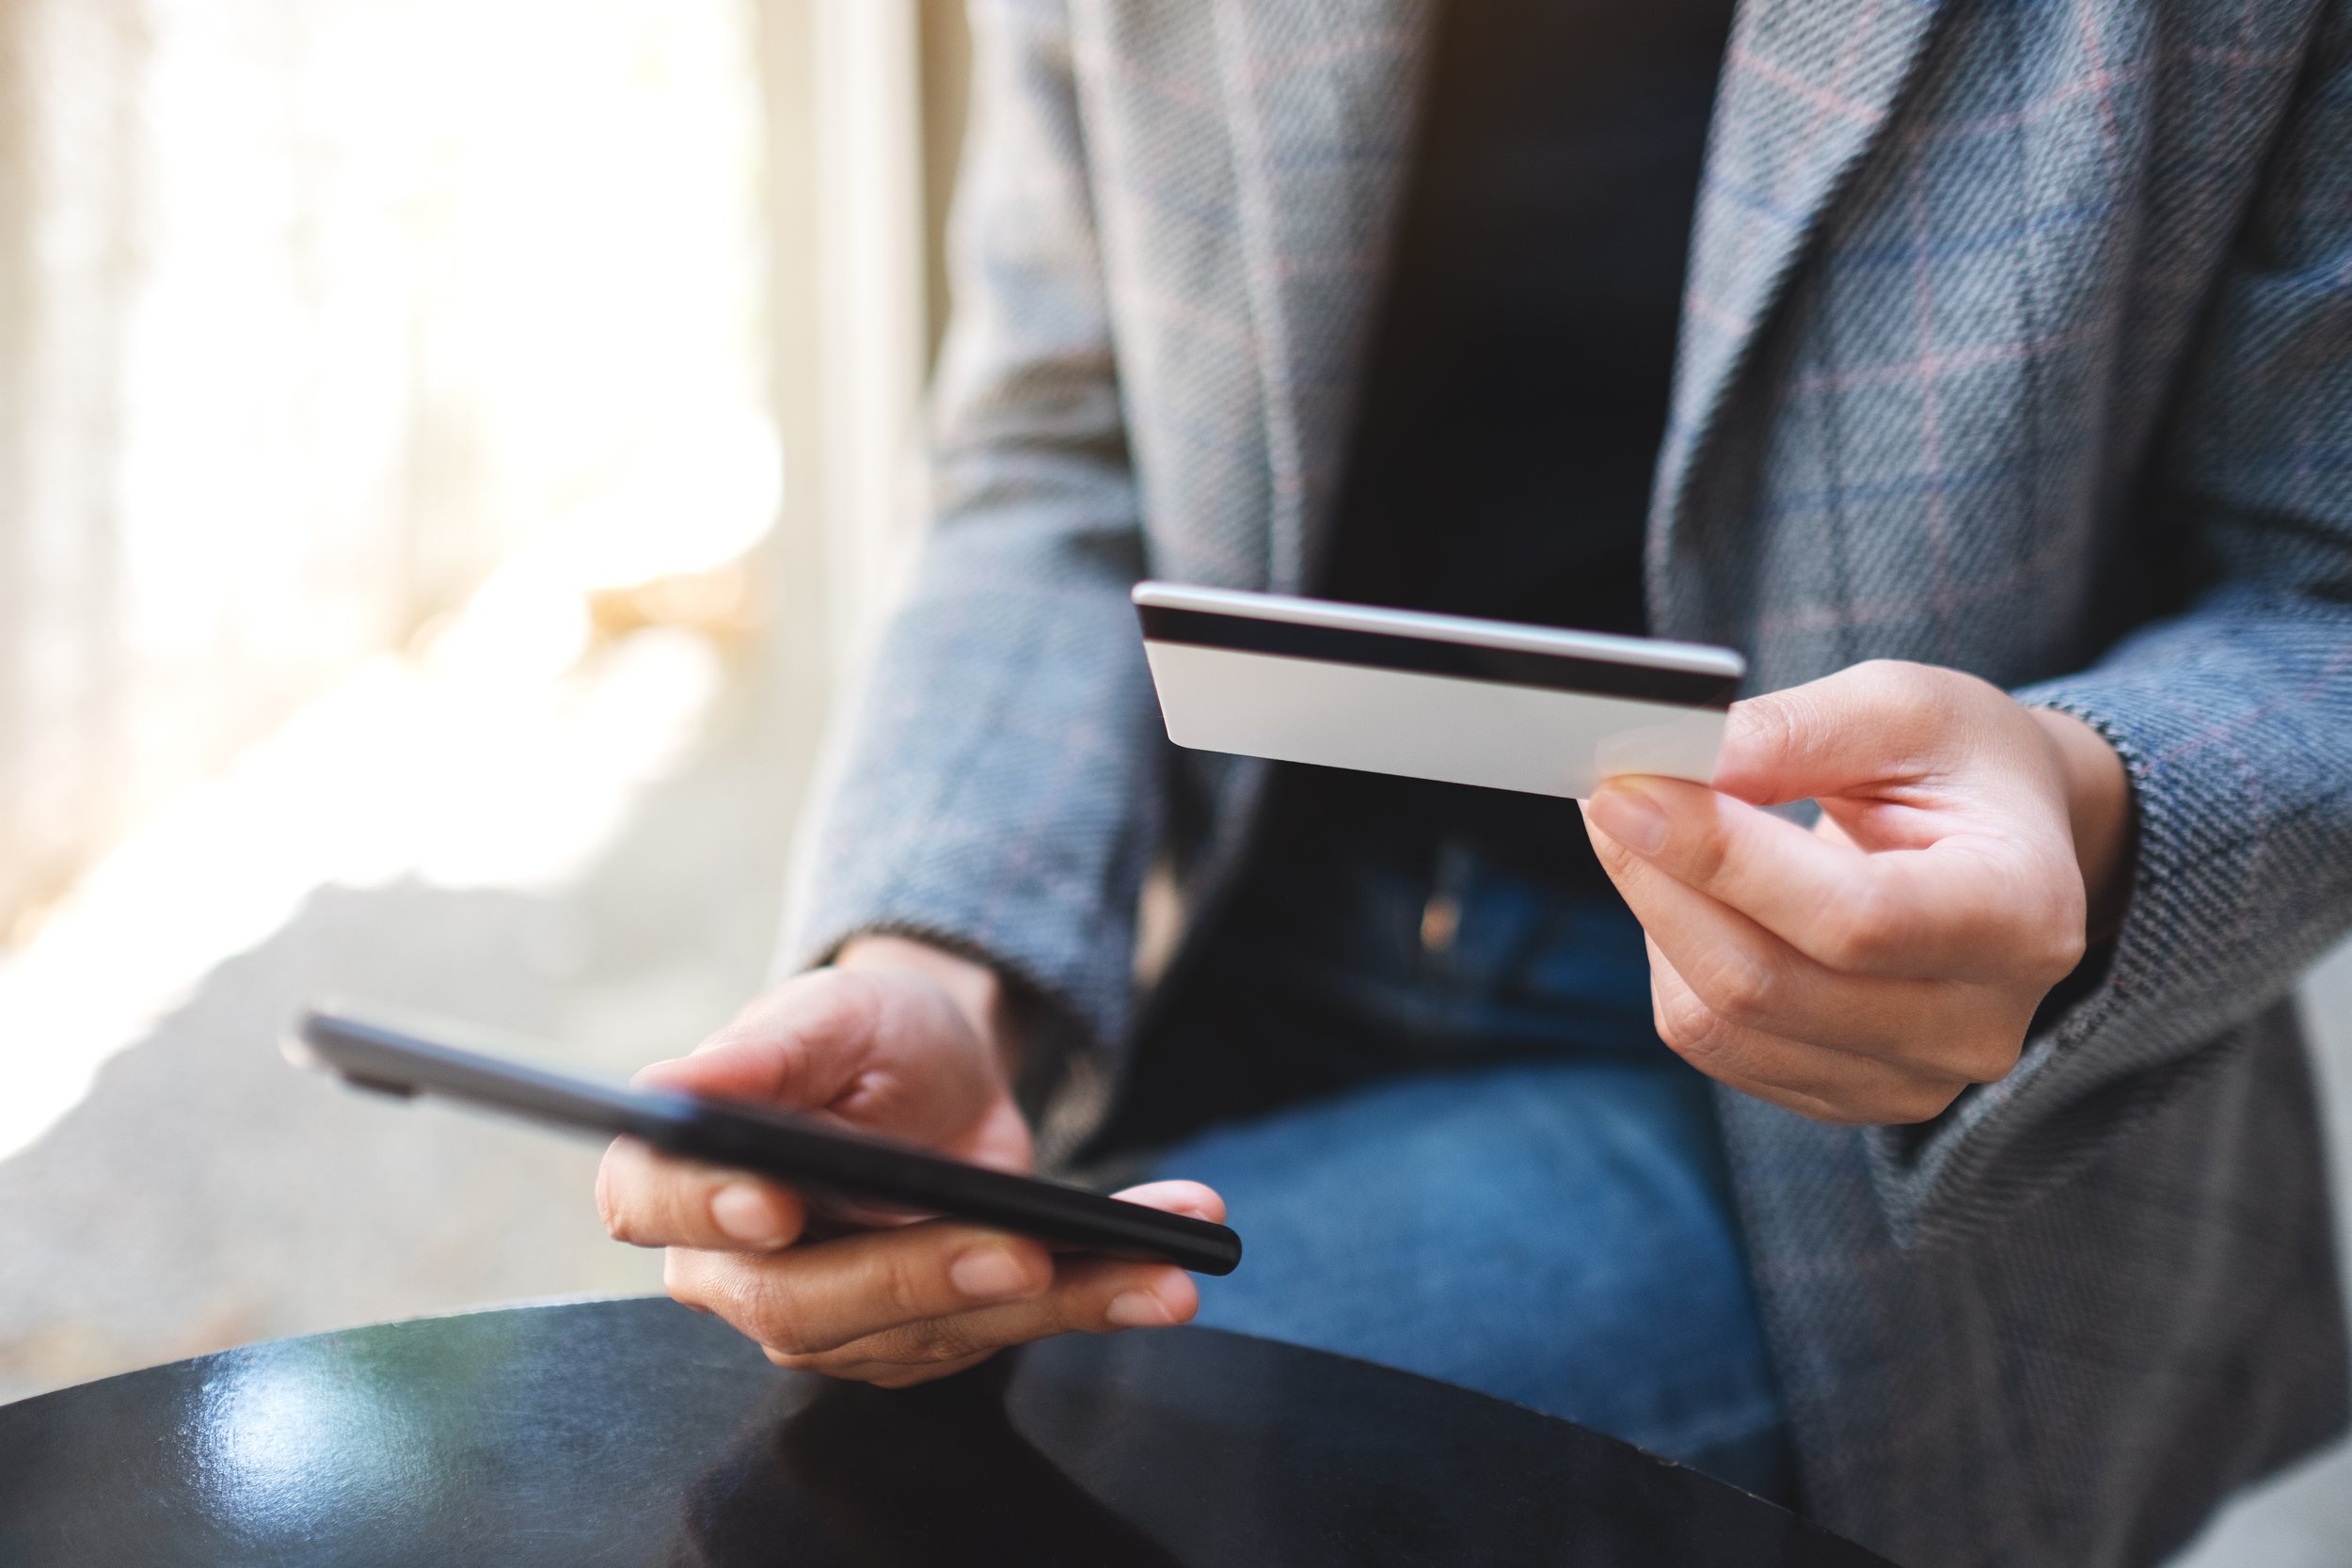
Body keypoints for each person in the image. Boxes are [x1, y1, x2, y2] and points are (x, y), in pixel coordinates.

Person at [594, 2, 2352, 1564]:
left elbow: (2323, 578)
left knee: (919, 1507)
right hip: (1242, 953)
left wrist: (2094, 819)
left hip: (1851, 1157)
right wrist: (931, 965)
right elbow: (1060, 448)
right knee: (800, 1460)